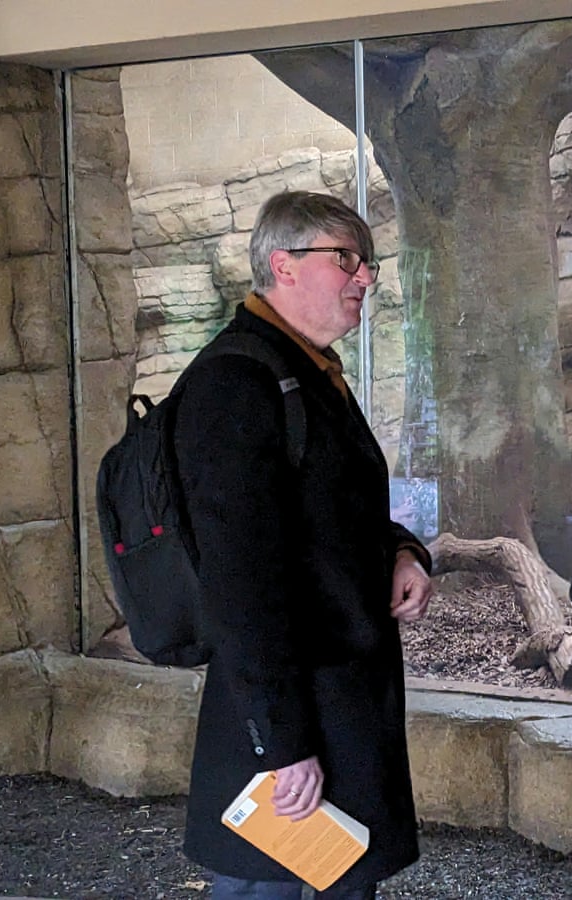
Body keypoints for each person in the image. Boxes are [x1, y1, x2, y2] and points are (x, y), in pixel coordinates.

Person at [173, 190, 433, 899]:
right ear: (282, 265)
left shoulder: (304, 370)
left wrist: (403, 551)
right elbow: (240, 581)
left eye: (367, 262)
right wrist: (282, 746)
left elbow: (329, 511)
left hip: (334, 712)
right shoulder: (238, 382)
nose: (365, 277)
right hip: (290, 735)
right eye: (345, 258)